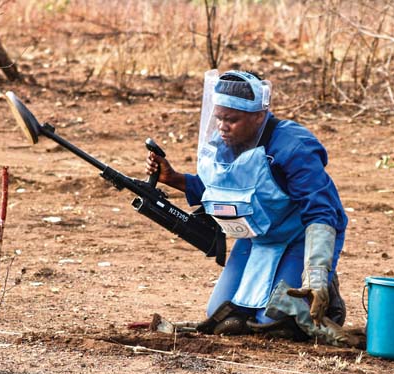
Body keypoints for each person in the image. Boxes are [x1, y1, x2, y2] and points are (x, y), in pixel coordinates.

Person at [146, 70, 348, 341]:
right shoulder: (227, 144)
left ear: (259, 116)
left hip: (300, 237)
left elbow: (322, 212)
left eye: (232, 119)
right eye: (218, 118)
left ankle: (330, 301)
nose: (222, 127)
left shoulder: (293, 146)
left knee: (274, 323)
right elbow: (222, 191)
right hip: (256, 237)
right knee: (222, 315)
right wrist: (174, 179)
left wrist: (316, 273)